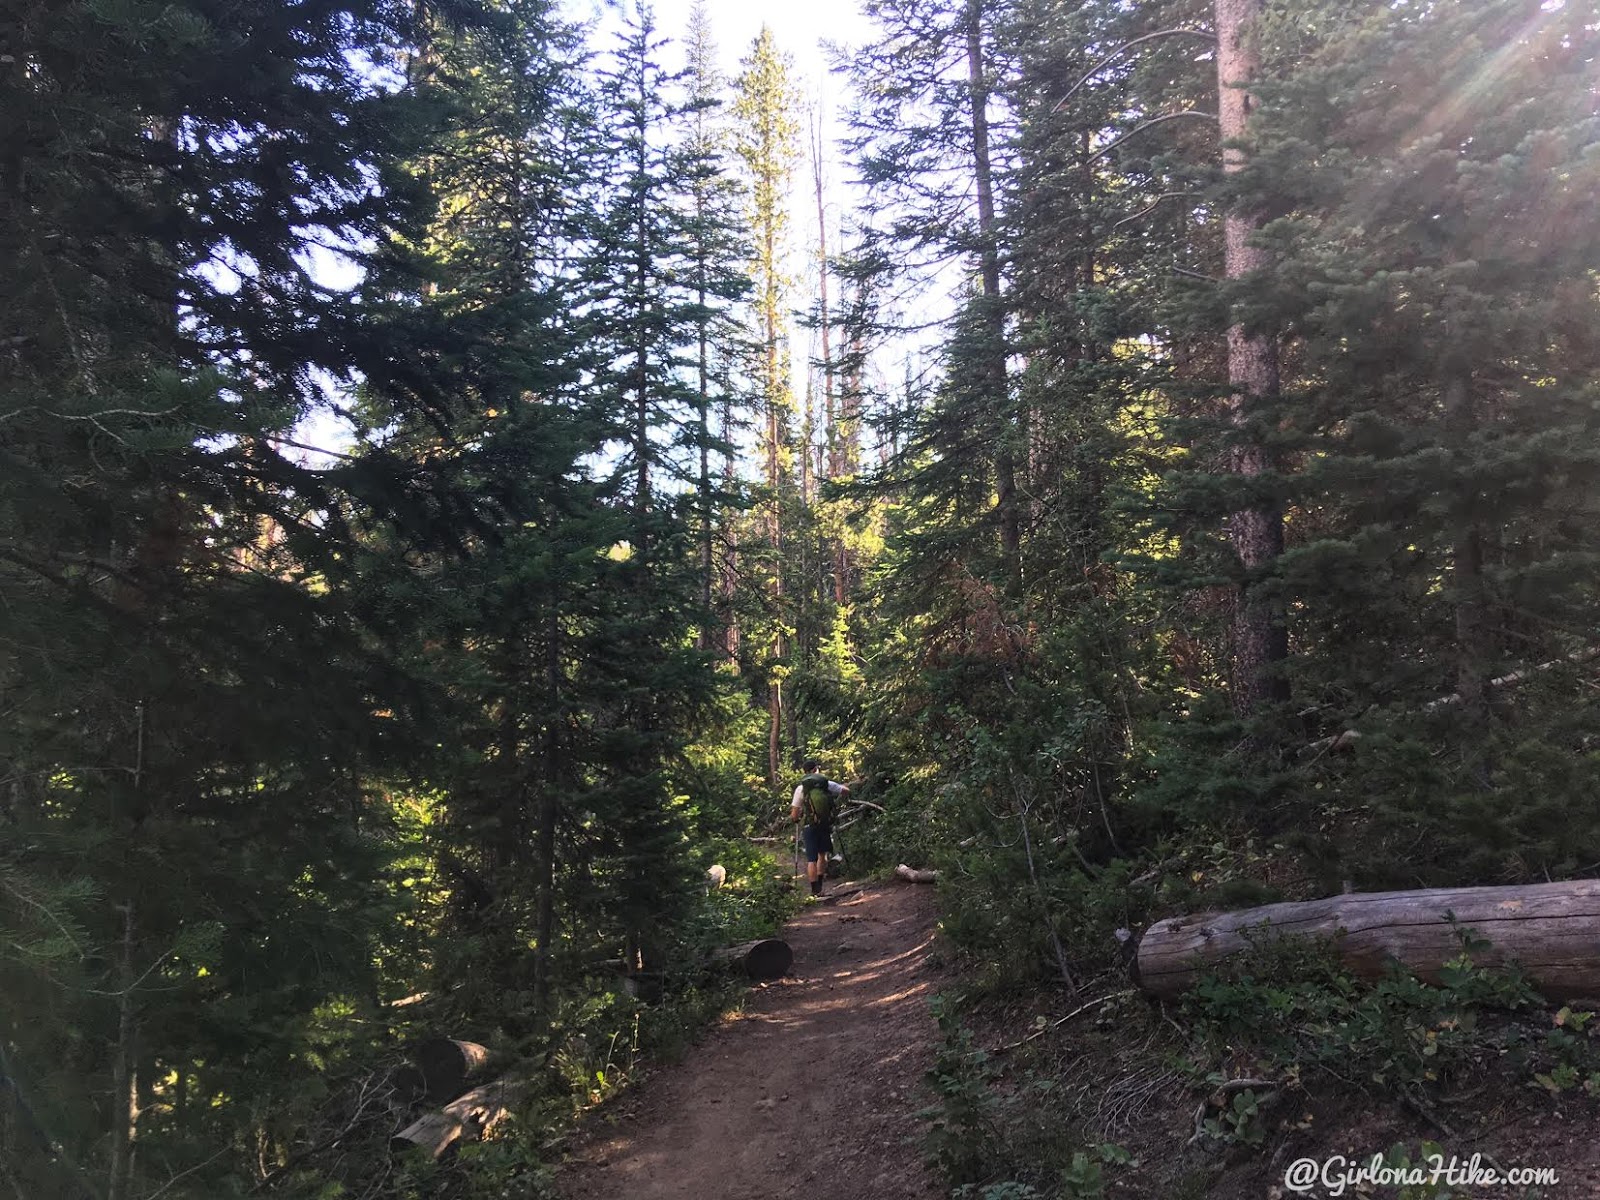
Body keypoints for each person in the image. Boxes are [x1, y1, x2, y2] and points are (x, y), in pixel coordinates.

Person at [791, 758, 848, 897]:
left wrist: (798, 819)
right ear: (816, 769)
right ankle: (821, 886)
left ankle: (814, 890)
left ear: (805, 772)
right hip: (824, 824)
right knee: (822, 855)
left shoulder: (801, 788)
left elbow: (794, 815)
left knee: (811, 858)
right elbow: (846, 790)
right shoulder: (826, 784)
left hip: (809, 825)